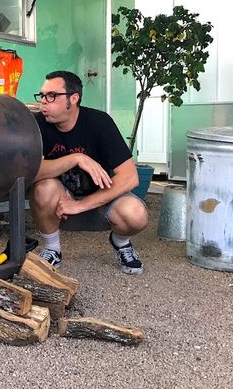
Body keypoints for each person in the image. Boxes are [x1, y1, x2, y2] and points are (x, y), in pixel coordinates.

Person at [30, 70, 148, 275]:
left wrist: (80, 205)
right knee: (42, 188)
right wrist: (76, 158)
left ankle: (121, 243)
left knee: (136, 214)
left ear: (73, 99)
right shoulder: (37, 124)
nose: (44, 102)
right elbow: (29, 171)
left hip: (101, 202)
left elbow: (130, 177)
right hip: (60, 204)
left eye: (51, 96)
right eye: (42, 95)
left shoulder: (99, 123)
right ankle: (52, 248)